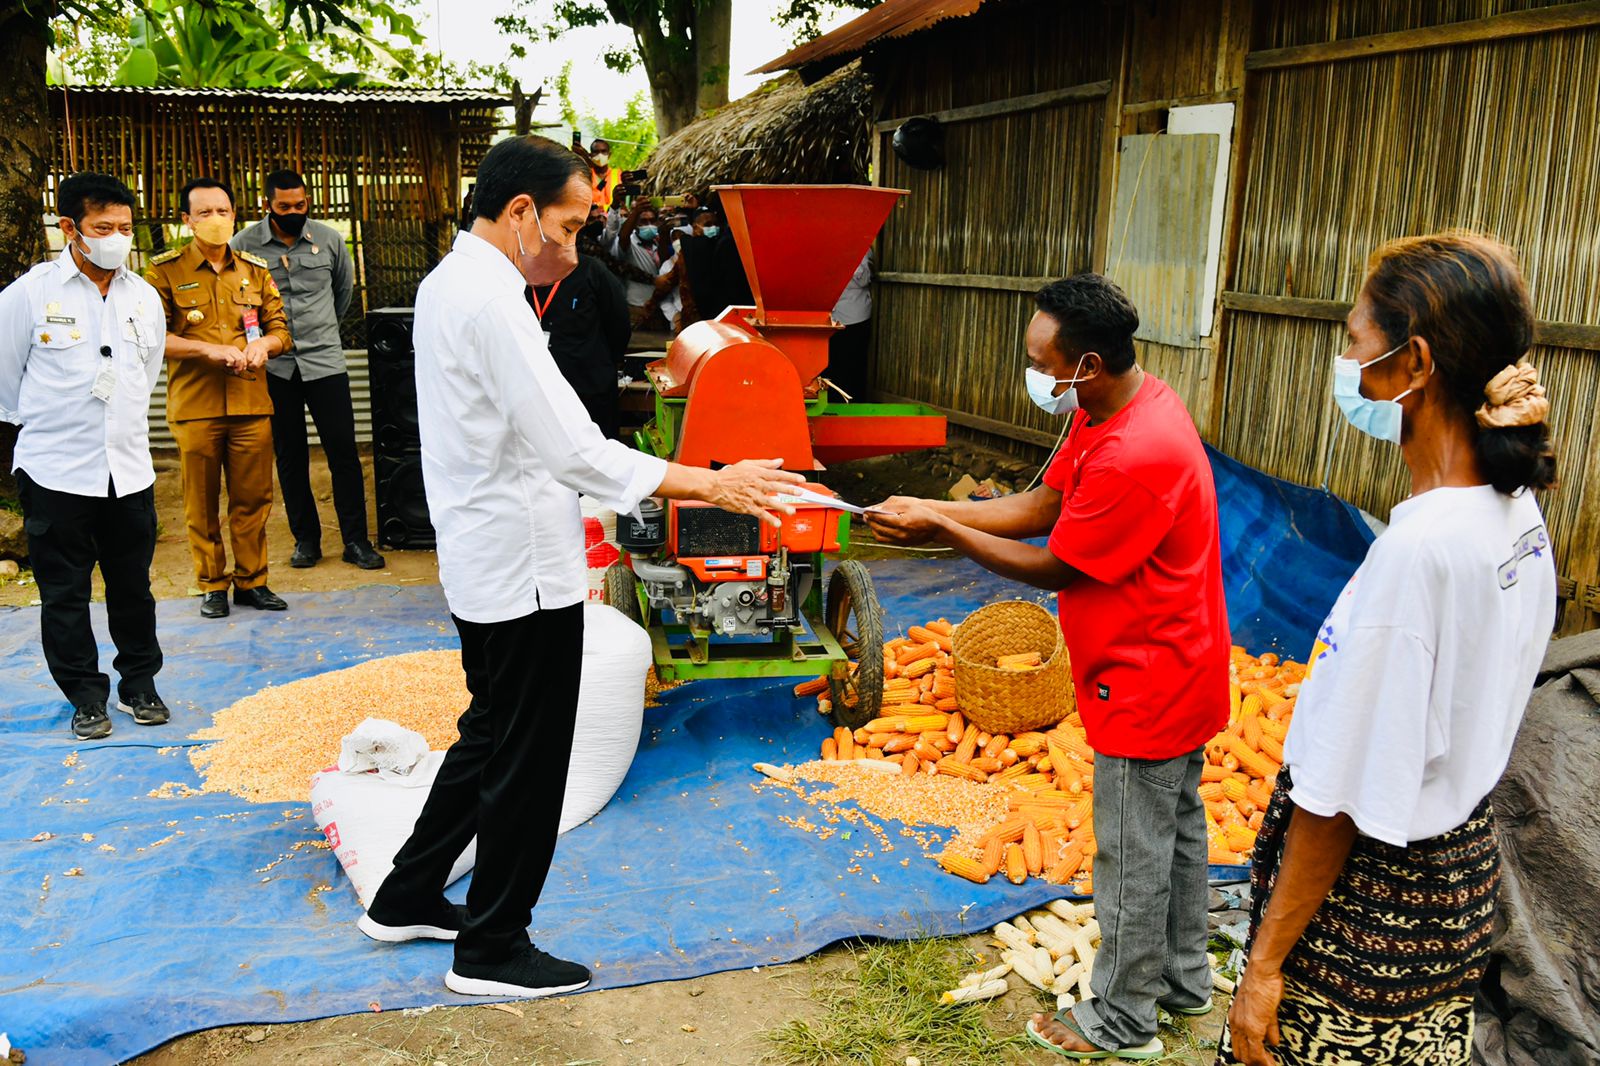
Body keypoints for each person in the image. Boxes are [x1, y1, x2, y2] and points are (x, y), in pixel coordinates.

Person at [356, 134, 805, 999]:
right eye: (567, 226)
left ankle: (407, 894)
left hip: (484, 551)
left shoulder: (449, 283)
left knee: (492, 730)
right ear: (520, 211)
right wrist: (711, 482)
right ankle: (492, 948)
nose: (572, 246)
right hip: (522, 563)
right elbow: (574, 450)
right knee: (528, 758)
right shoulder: (492, 303)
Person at [866, 274, 1229, 1061]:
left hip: (1148, 675)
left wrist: (943, 531)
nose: (1033, 374)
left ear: (1086, 363)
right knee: (1176, 832)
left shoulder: (1136, 452)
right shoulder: (1114, 409)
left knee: (1132, 852)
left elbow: (1055, 563)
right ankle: (1182, 980)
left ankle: (1123, 1020)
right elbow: (1042, 507)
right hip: (1178, 659)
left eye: (1040, 363)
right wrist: (936, 508)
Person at [1221, 233, 1558, 1066]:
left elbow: (1337, 798)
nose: (1345, 364)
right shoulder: (1517, 515)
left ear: (1414, 363)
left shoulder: (1416, 556)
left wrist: (1264, 966)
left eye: (1354, 341)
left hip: (1367, 918)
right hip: (1456, 892)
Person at [0, 173, 170, 740]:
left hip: (128, 469)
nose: (117, 237)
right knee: (65, 594)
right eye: (103, 227)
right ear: (70, 228)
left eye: (125, 227)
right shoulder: (29, 294)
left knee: (133, 588)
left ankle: (140, 684)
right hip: (55, 470)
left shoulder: (143, 296)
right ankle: (85, 697)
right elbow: (5, 381)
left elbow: (146, 374)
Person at [146, 178, 291, 619]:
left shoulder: (254, 269)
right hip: (197, 407)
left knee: (254, 499)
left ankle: (252, 581)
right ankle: (211, 584)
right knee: (202, 502)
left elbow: (280, 329)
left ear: (234, 215)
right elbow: (153, 337)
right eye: (204, 212)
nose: (216, 219)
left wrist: (263, 345)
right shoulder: (164, 272)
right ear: (187, 220)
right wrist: (207, 351)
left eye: (223, 211)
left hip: (250, 403)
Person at [234, 169, 383, 572]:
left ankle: (356, 541)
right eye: (284, 207)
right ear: (267, 205)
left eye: (300, 205)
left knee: (343, 451)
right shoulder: (243, 244)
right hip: (275, 367)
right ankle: (306, 540)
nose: (293, 212)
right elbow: (237, 298)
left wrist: (321, 332)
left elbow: (343, 293)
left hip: (325, 362)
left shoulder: (330, 240)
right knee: (290, 455)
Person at [524, 236, 631, 439]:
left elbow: (619, 325)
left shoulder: (591, 271)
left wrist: (603, 363)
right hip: (540, 392)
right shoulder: (521, 274)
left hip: (589, 390)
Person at [609, 199, 663, 328]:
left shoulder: (659, 243)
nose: (649, 225)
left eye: (652, 221)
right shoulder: (630, 243)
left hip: (658, 308)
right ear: (636, 224)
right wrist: (636, 212)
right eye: (643, 221)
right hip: (636, 307)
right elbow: (623, 236)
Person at [827, 248, 873, 398]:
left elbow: (864, 278)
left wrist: (844, 259)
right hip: (825, 320)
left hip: (852, 318)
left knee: (851, 370)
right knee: (828, 369)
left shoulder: (861, 245)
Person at [582, 138, 619, 213]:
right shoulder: (584, 175)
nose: (600, 155)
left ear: (609, 155)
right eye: (596, 152)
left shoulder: (619, 175)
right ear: (590, 155)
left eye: (603, 151)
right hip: (591, 217)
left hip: (613, 217)